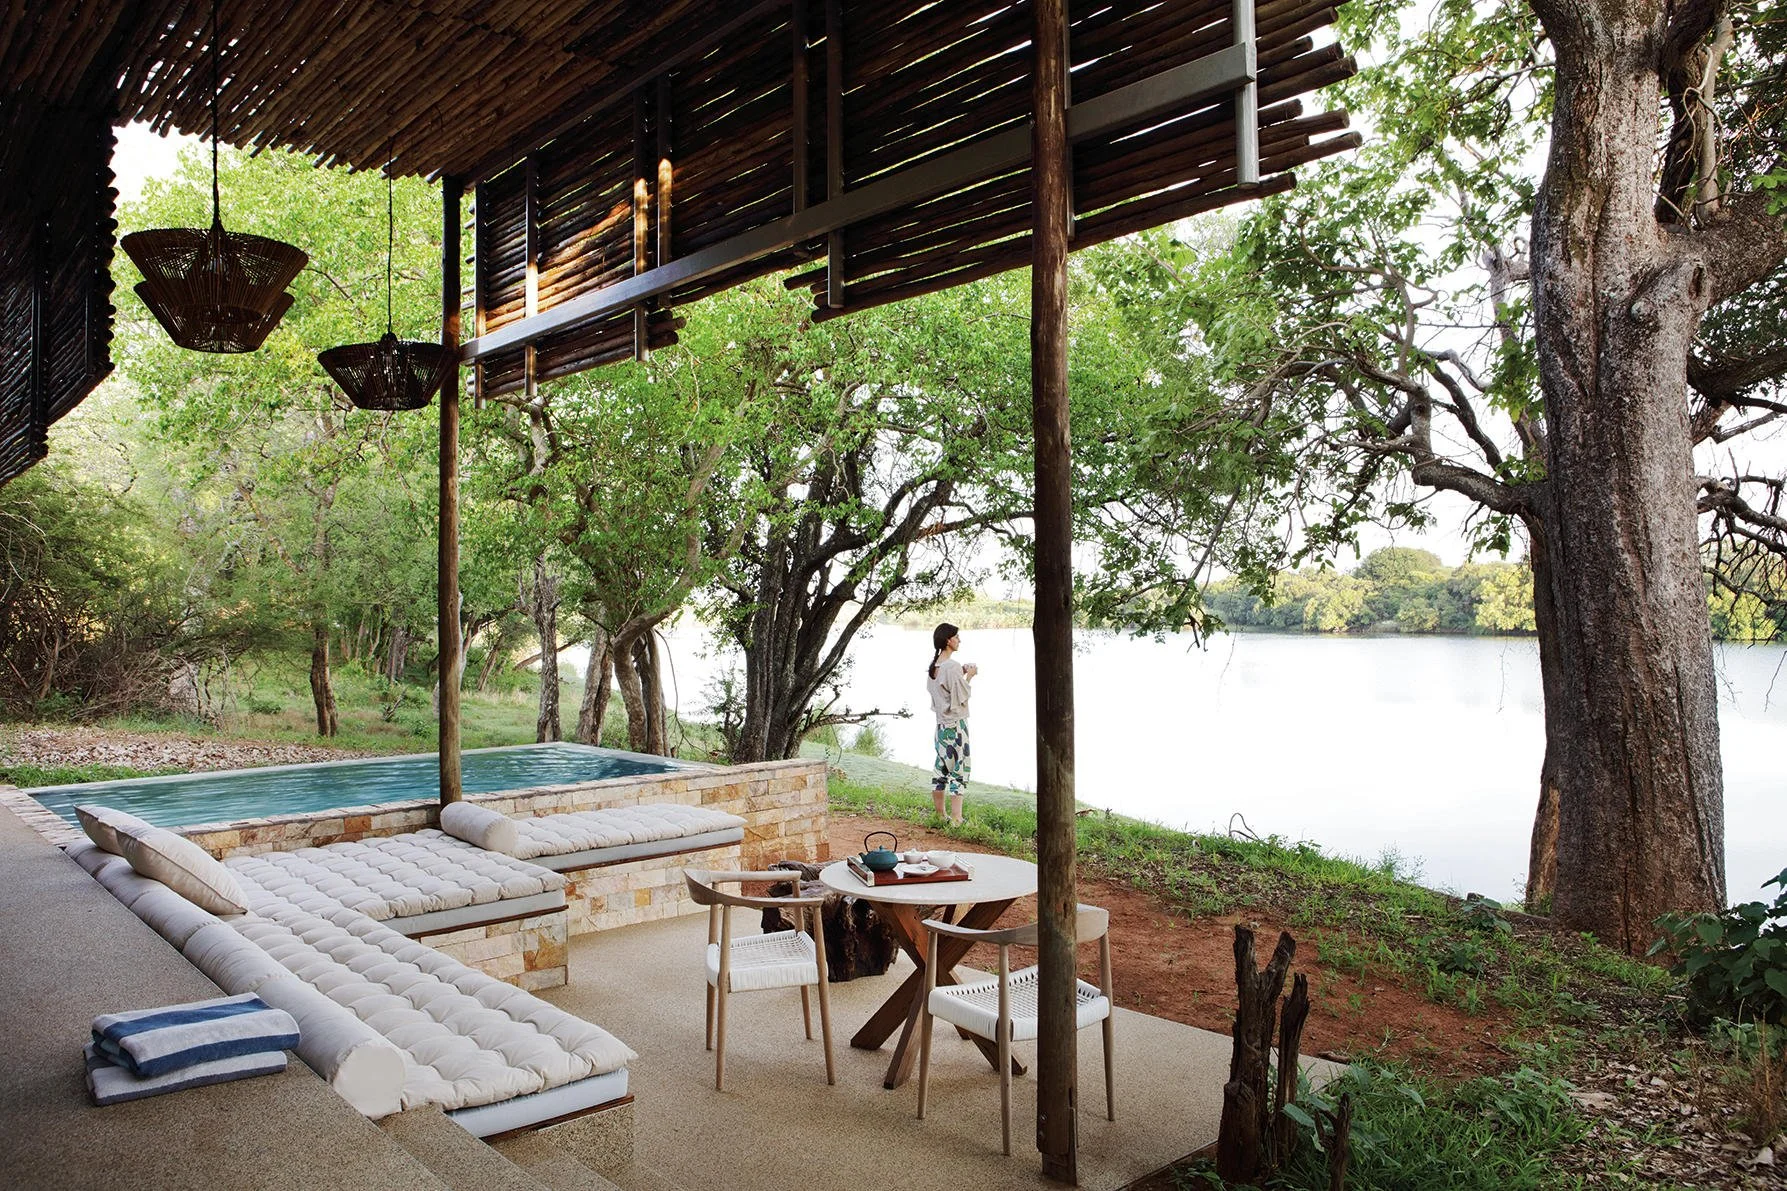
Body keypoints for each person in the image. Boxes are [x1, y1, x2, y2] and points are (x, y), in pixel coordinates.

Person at [926, 622, 976, 826]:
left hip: (940, 727)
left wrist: (961, 674)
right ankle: (956, 818)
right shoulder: (952, 666)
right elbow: (959, 698)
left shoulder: (935, 666)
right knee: (959, 770)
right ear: (948, 640)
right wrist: (970, 676)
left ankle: (940, 815)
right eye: (957, 637)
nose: (959, 640)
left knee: (941, 769)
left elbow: (945, 692)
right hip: (955, 727)